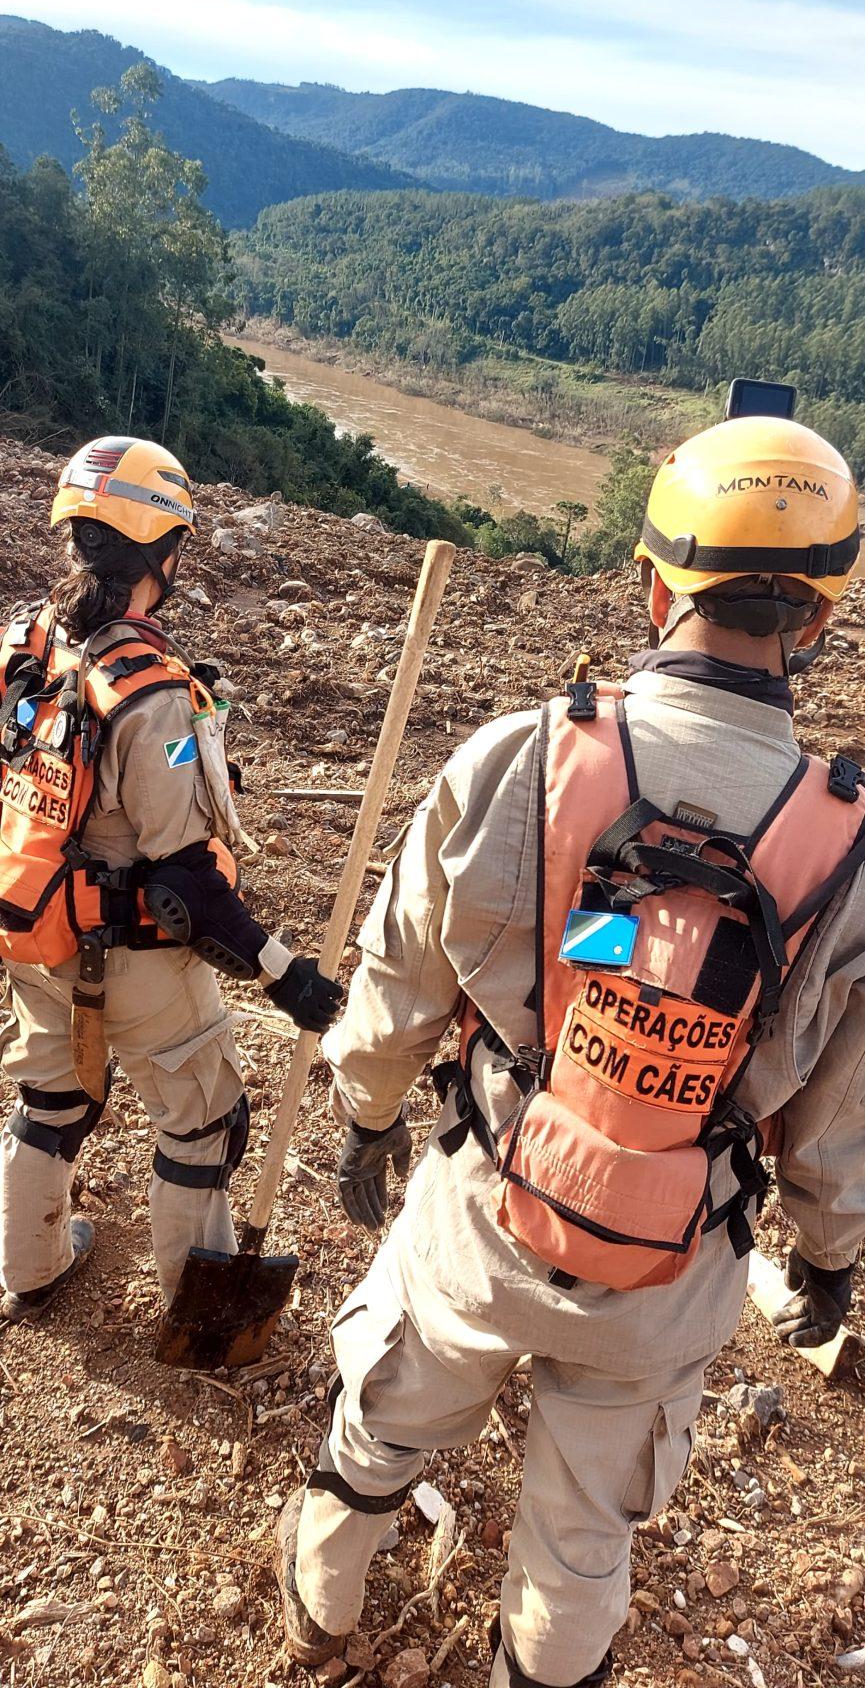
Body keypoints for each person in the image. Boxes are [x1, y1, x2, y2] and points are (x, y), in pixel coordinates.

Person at [275, 414, 864, 1688]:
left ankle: (317, 1613)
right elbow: (833, 1114)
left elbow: (404, 972)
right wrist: (825, 1258)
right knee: (584, 1535)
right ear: (816, 620)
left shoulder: (528, 756)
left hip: (487, 1212)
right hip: (672, 1262)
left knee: (378, 1436)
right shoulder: (847, 849)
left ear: (653, 584)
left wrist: (370, 1115)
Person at [0, 435, 341, 1323]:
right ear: (166, 551)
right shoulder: (150, 694)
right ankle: (198, 1314)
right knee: (202, 1121)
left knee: (53, 1097)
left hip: (34, 929)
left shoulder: (24, 641)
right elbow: (186, 880)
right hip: (138, 961)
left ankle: (28, 1270)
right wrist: (284, 973)